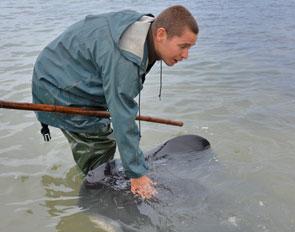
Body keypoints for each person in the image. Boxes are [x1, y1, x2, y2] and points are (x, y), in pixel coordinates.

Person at [32, 5, 198, 199]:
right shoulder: (127, 56)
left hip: (72, 74)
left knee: (107, 140)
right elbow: (122, 115)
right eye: (183, 46)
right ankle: (98, 199)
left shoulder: (146, 29)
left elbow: (120, 100)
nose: (186, 55)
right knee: (99, 147)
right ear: (161, 34)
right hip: (58, 88)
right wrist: (137, 173)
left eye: (190, 48)